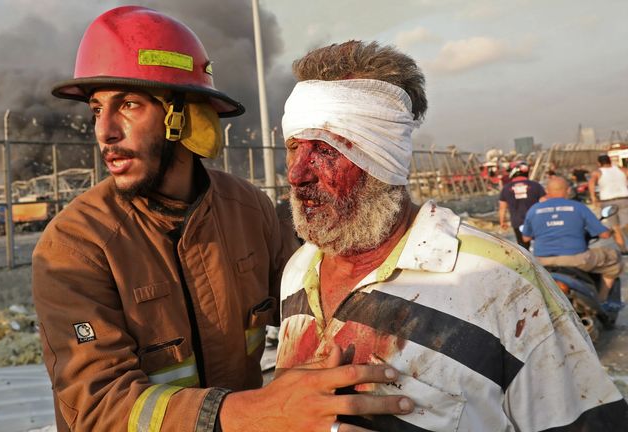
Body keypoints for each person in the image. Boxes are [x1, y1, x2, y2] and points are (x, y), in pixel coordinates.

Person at [32, 7, 413, 432]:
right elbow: (98, 407)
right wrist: (260, 412)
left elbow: (314, 305)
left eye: (129, 105)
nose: (105, 131)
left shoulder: (249, 211)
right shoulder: (75, 245)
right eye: (96, 111)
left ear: (185, 118)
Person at [275, 40, 628, 431]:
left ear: (384, 159)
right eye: (293, 147)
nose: (296, 174)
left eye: (325, 150)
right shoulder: (298, 270)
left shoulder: (499, 281)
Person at [522, 176, 623, 303]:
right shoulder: (578, 207)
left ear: (547, 191)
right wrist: (611, 231)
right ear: (568, 190)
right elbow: (604, 235)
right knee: (614, 258)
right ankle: (602, 300)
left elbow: (526, 237)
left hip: (542, 261)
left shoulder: (534, 209)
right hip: (576, 259)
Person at [498, 161, 545, 249]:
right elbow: (545, 203)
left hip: (517, 222)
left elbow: (502, 208)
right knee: (540, 246)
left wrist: (502, 222)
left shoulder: (506, 188)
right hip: (536, 221)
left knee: (524, 249)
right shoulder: (536, 186)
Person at [589, 154, 628, 253]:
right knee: (626, 225)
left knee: (615, 228)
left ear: (598, 163)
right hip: (624, 199)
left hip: (607, 202)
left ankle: (623, 250)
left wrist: (593, 198)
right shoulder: (622, 170)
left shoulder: (598, 172)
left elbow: (591, 183)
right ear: (610, 160)